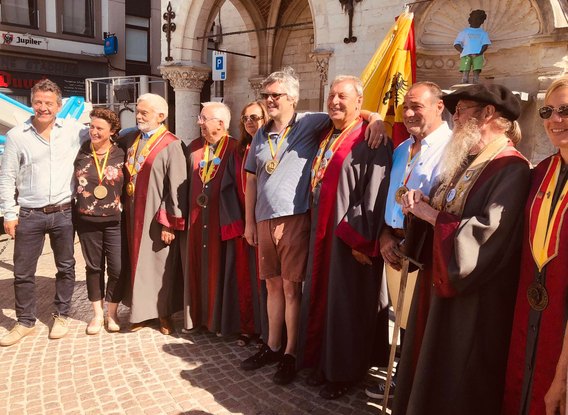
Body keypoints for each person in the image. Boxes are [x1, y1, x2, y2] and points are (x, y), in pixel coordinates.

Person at [391, 83, 531, 415]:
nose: (455, 118)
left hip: (473, 297)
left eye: (461, 109)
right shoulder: (465, 161)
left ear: (489, 114)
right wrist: (422, 205)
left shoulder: (511, 167)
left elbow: (486, 235)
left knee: (457, 377)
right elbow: (446, 210)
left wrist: (431, 215)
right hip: (439, 283)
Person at [240, 67, 385, 385]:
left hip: (296, 218)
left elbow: (353, 113)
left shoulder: (310, 122)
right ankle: (272, 345)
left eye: (275, 95)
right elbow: (251, 180)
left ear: (292, 98)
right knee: (272, 287)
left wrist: (377, 119)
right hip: (264, 220)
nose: (269, 101)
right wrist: (250, 221)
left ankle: (292, 353)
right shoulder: (261, 134)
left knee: (292, 289)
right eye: (265, 96)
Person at [296, 75, 392, 399]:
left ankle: (345, 373)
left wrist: (360, 239)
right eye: (332, 95)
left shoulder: (371, 139)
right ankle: (323, 364)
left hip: (348, 239)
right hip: (320, 234)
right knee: (324, 302)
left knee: (346, 306)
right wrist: (373, 115)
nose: (335, 101)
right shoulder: (327, 132)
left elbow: (375, 193)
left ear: (358, 103)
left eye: (343, 97)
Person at [366, 81, 452, 400]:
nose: (410, 113)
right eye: (406, 107)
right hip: (394, 245)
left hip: (423, 250)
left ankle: (413, 390)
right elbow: (390, 196)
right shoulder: (403, 148)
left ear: (439, 106)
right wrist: (385, 234)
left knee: (421, 325)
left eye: (418, 106)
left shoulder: (453, 147)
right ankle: (400, 381)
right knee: (402, 321)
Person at [0, 79, 89, 347]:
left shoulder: (74, 131)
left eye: (49, 103)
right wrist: (8, 213)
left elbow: (103, 134)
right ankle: (25, 321)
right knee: (23, 271)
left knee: (66, 267)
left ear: (59, 106)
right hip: (29, 213)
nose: (43, 107)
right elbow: (7, 177)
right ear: (32, 102)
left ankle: (61, 315)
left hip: (63, 212)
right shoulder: (18, 135)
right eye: (38, 102)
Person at [502, 76, 568, 415]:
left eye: (566, 110)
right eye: (547, 111)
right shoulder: (542, 171)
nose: (556, 119)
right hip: (531, 312)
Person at [182, 102, 261, 338]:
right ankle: (196, 318)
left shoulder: (236, 149)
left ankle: (218, 321)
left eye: (203, 118)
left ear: (221, 123)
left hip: (224, 224)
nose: (199, 123)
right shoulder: (194, 148)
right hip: (197, 222)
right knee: (197, 268)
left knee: (223, 273)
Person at [117, 93, 187, 335]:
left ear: (161, 116)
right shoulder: (131, 139)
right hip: (132, 215)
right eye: (138, 111)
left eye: (144, 112)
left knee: (159, 266)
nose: (138, 115)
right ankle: (140, 313)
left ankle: (164, 314)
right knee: (137, 265)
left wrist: (170, 222)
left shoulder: (172, 144)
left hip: (157, 217)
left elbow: (178, 187)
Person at [74, 108, 125, 335]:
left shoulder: (122, 153)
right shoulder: (81, 151)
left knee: (117, 268)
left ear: (112, 131)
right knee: (94, 267)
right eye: (91, 127)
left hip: (115, 219)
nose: (93, 132)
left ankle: (112, 313)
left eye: (99, 128)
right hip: (86, 219)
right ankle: (96, 314)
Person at [236, 100, 269, 346]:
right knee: (248, 279)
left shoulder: (272, 146)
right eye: (246, 118)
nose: (250, 122)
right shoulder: (241, 149)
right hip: (245, 224)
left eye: (255, 117)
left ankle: (268, 331)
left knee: (268, 282)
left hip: (266, 221)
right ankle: (251, 326)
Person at [454, 9, 491, 84]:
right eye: (475, 18)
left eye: (479, 19)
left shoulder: (483, 33)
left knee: (476, 69)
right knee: (465, 68)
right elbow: (456, 43)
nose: (476, 21)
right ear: (470, 19)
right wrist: (463, 51)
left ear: (482, 21)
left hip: (478, 55)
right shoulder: (464, 32)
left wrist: (480, 53)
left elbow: (485, 44)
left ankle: (475, 81)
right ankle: (464, 80)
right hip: (466, 55)